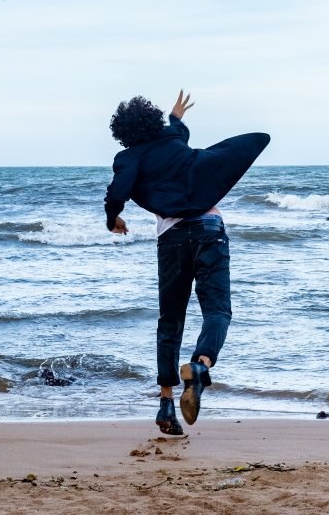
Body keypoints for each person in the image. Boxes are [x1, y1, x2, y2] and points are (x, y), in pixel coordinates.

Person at [104, 90, 270, 434]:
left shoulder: (129, 158)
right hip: (211, 229)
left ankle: (166, 405)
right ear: (153, 121)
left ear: (124, 132)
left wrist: (113, 217)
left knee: (170, 322)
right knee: (218, 311)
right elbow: (178, 131)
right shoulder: (172, 138)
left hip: (173, 237)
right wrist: (176, 116)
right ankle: (200, 365)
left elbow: (118, 191)